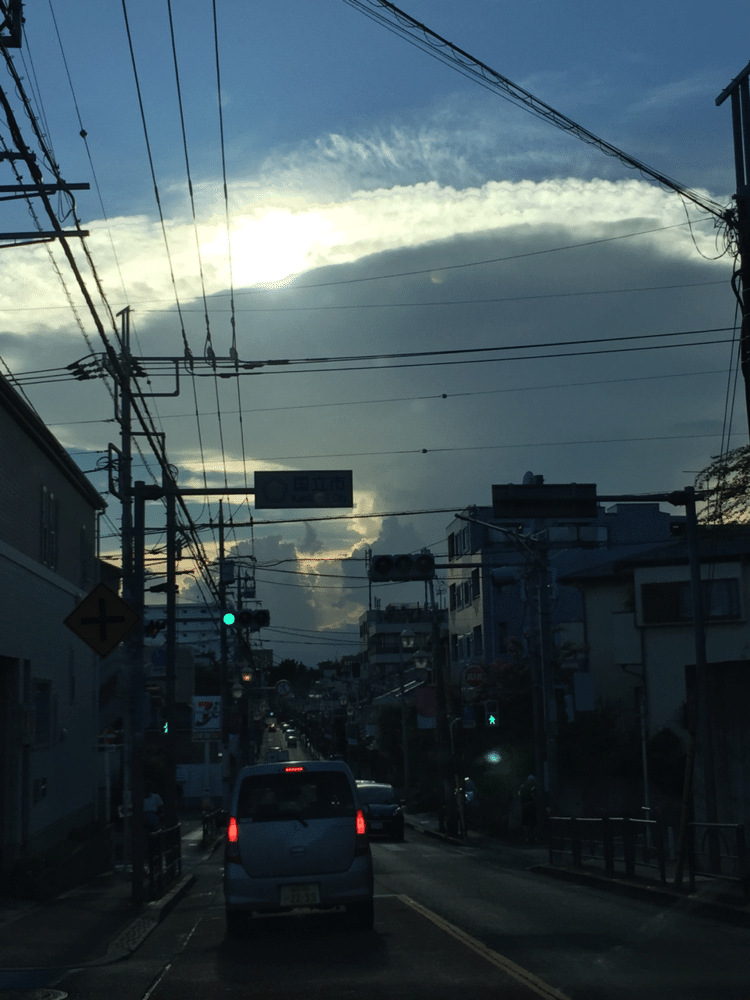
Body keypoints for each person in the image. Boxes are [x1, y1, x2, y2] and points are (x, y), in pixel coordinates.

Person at [518, 775, 537, 843]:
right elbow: (535, 797)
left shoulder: (522, 787)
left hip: (525, 807)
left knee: (525, 823)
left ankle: (526, 838)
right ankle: (534, 837)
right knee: (534, 823)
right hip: (532, 807)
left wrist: (523, 804)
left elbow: (520, 797)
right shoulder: (533, 787)